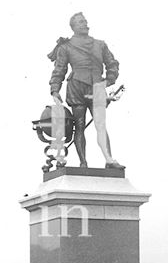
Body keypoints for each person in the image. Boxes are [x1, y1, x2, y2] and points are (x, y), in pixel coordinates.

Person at [48, 13, 125, 169]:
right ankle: (83, 162)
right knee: (80, 125)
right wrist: (55, 90)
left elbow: (112, 64)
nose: (85, 24)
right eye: (80, 22)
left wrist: (108, 80)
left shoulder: (100, 45)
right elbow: (59, 69)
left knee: (101, 125)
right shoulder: (66, 47)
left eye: (85, 21)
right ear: (73, 27)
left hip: (97, 87)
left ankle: (109, 159)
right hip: (77, 87)